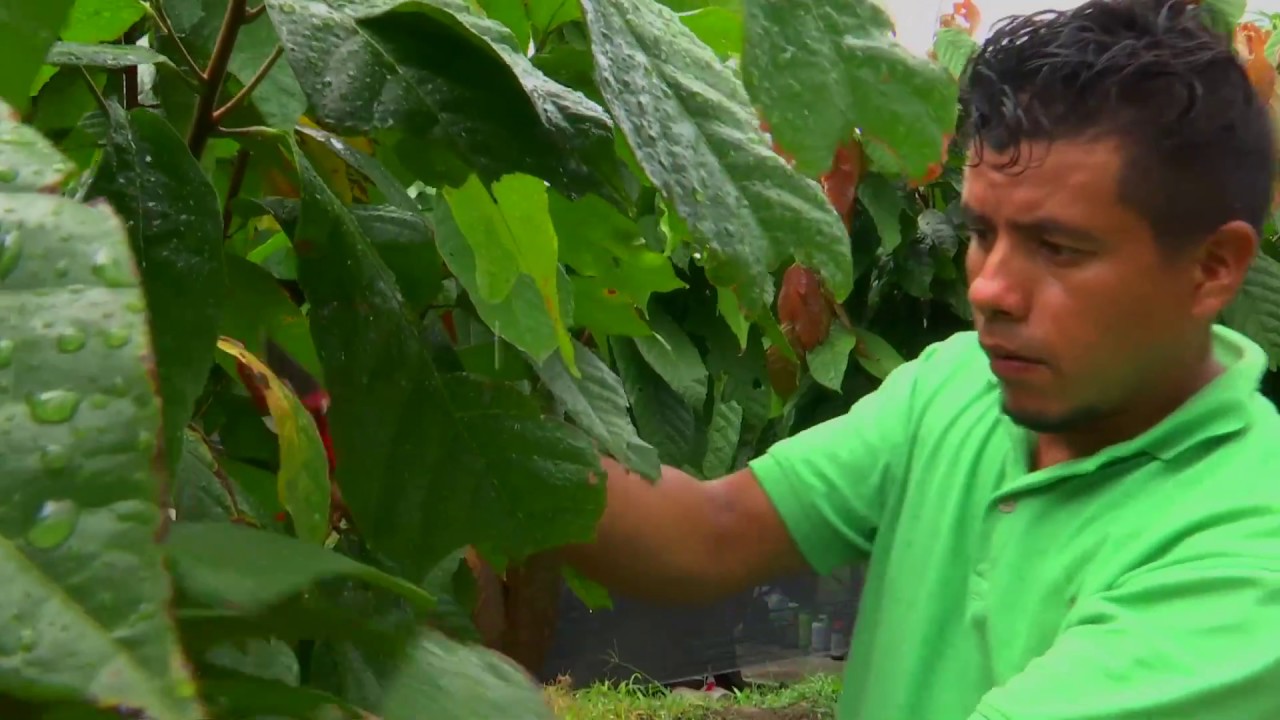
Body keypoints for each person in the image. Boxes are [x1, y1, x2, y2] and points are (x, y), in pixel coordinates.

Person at [562, 1, 1280, 718]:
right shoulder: (960, 383)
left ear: (1213, 267)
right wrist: (497, 448)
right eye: (981, 232)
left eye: (1058, 248)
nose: (991, 288)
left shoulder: (1246, 555)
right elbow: (711, 532)